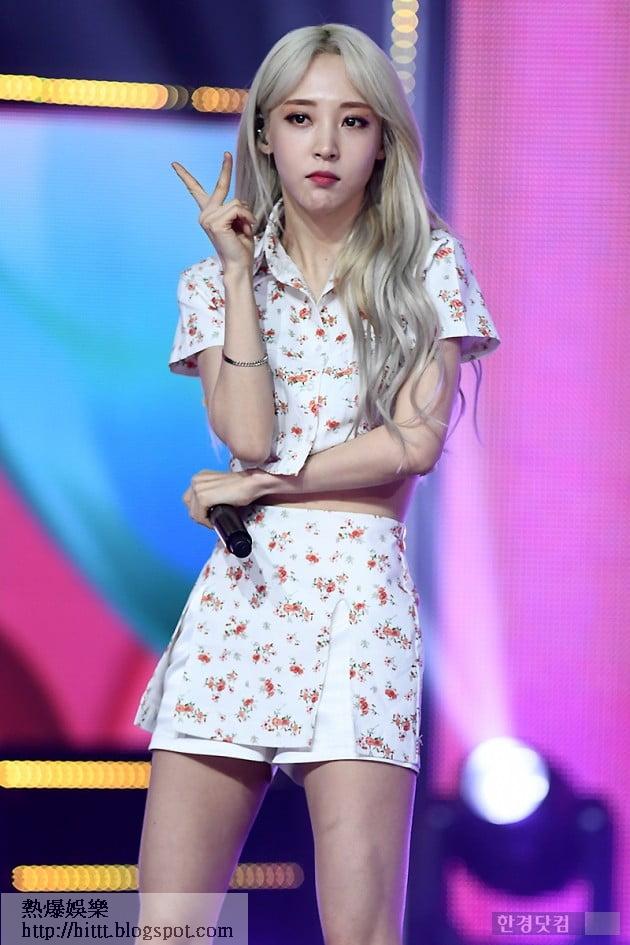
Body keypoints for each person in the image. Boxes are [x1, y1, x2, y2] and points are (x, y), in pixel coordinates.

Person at [133, 22, 501, 944]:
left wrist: (261, 486)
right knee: (167, 926)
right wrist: (237, 274)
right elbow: (247, 435)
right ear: (265, 133)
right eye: (300, 118)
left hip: (359, 603)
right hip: (242, 601)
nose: (326, 144)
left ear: (383, 140)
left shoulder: (428, 267)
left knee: (361, 929)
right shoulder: (213, 282)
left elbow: (411, 444)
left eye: (353, 121)